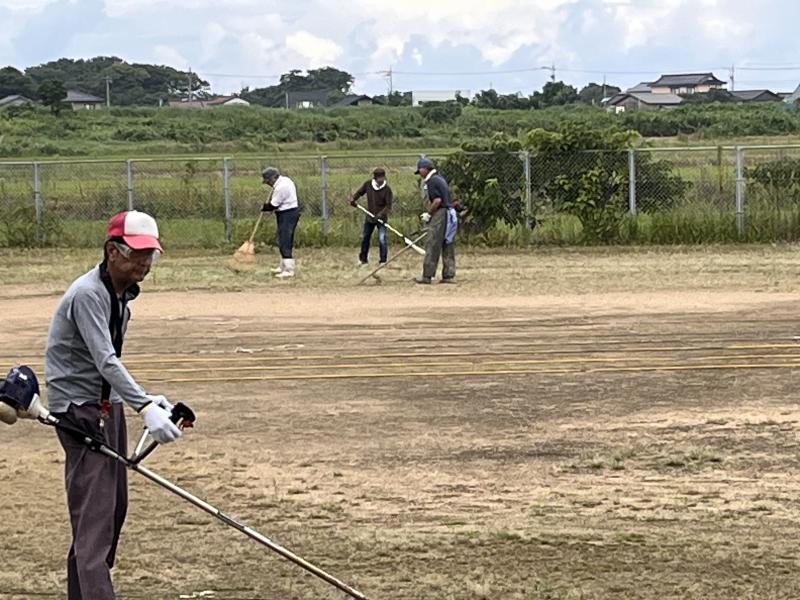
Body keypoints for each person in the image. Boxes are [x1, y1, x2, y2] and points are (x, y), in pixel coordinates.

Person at [45, 210, 182, 600]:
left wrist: (145, 398)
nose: (144, 263)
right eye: (136, 253)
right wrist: (144, 406)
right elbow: (105, 359)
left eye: (150, 255)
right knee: (96, 520)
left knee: (111, 511)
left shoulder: (120, 295)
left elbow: (105, 364)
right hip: (80, 409)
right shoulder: (88, 294)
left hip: (105, 405)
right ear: (111, 251)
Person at [414, 157, 456, 284]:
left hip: (440, 213)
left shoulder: (432, 181)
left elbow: (437, 200)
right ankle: (448, 274)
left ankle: (427, 275)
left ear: (425, 169)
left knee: (432, 243)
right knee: (447, 243)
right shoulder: (439, 178)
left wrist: (429, 214)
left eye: (420, 171)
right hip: (449, 212)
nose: (420, 174)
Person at [261, 166, 300, 279]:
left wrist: (265, 207)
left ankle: (289, 269)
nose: (268, 184)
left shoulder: (281, 187)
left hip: (288, 214)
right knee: (281, 239)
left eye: (268, 181)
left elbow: (274, 205)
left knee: (285, 240)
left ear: (274, 177)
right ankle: (282, 265)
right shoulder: (285, 180)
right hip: (286, 212)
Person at [350, 167, 393, 267]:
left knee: (382, 239)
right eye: (379, 178)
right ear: (375, 178)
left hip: (381, 219)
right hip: (369, 218)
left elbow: (388, 206)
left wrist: (380, 215)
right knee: (365, 237)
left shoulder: (387, 190)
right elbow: (359, 193)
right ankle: (363, 260)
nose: (381, 180)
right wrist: (353, 199)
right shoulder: (368, 185)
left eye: (383, 178)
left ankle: (383, 261)